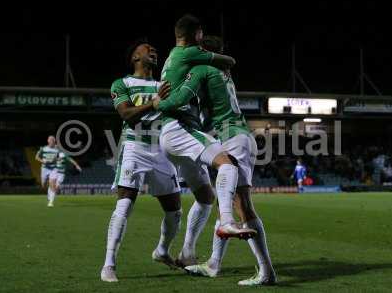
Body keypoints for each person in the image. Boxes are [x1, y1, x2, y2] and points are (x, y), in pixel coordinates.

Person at [155, 35, 276, 286]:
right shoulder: (223, 72)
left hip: (232, 137)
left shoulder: (201, 68)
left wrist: (156, 102)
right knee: (226, 202)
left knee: (241, 204)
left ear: (202, 51)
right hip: (237, 135)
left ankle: (266, 272)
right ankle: (213, 264)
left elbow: (177, 101)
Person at [159, 14, 256, 267]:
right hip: (181, 129)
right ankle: (226, 222)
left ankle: (186, 253)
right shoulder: (199, 63)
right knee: (228, 167)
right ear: (197, 37)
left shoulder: (177, 59)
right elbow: (177, 100)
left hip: (178, 134)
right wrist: (158, 102)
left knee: (205, 196)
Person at [101, 39, 182, 282]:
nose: (155, 52)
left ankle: (162, 250)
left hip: (162, 150)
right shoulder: (122, 83)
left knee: (175, 211)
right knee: (124, 205)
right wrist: (154, 103)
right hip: (134, 147)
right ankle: (108, 264)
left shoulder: (164, 84)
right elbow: (126, 114)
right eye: (149, 50)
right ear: (135, 57)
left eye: (156, 50)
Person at [35, 136, 59, 207]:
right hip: (45, 168)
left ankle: (51, 202)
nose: (52, 141)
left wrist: (55, 160)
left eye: (53, 140)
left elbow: (59, 158)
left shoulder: (57, 149)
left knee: (52, 183)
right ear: (48, 141)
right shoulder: (43, 148)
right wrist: (43, 161)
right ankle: (49, 190)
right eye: (51, 140)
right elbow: (36, 157)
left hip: (53, 168)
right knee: (43, 184)